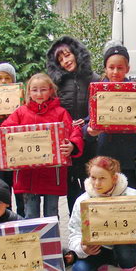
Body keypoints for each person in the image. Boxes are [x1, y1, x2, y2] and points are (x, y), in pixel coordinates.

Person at [0, 73, 83, 219]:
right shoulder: (20, 112)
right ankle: (34, 241)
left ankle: (51, 242)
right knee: (31, 214)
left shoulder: (60, 112)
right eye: (34, 90)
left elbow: (74, 133)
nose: (39, 93)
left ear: (51, 90)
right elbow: (2, 131)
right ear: (28, 92)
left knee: (51, 213)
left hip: (52, 174)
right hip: (27, 175)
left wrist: (72, 146)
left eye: (43, 89)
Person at [85, 44, 136, 189]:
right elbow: (87, 123)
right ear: (105, 68)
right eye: (111, 67)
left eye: (120, 68)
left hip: (129, 158)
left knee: (128, 199)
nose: (115, 72)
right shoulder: (97, 93)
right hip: (104, 160)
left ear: (127, 69)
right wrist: (90, 132)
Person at [46, 36, 100, 214]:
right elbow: (53, 110)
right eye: (60, 60)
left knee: (91, 183)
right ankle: (75, 222)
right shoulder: (56, 84)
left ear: (76, 54)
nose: (65, 61)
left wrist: (84, 122)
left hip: (91, 139)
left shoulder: (94, 78)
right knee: (72, 188)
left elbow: (100, 107)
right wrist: (69, 124)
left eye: (67, 55)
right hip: (69, 141)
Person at [0, 62, 25, 217]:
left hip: (17, 152)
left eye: (7, 78)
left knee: (20, 190)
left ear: (13, 81)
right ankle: (6, 220)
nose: (2, 81)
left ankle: (22, 219)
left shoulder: (21, 102)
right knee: (2, 189)